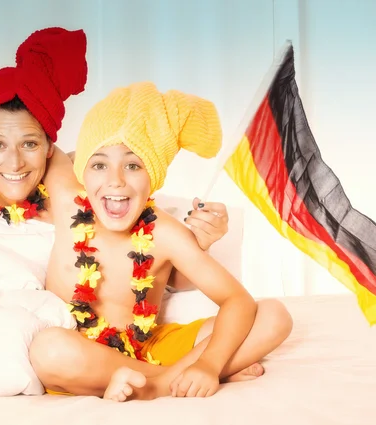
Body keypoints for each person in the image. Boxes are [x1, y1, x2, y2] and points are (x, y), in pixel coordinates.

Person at [28, 81, 293, 401]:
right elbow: (33, 148)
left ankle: (157, 384)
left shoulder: (166, 234)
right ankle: (173, 379)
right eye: (99, 164)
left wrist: (209, 364)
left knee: (274, 316)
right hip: (82, 352)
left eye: (133, 164)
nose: (115, 180)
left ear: (153, 175)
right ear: (82, 169)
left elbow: (238, 300)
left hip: (150, 346)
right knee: (48, 349)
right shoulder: (67, 199)